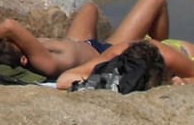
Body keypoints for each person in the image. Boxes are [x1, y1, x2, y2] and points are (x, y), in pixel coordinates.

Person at [0, 0, 178, 81]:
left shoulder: (30, 55)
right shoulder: (46, 63)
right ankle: (160, 57)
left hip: (80, 42)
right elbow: (9, 26)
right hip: (105, 52)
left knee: (89, 8)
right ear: (23, 58)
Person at [56, 37, 194, 90]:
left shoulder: (167, 57)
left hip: (184, 53)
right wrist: (103, 83)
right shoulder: (114, 56)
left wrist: (182, 83)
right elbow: (64, 80)